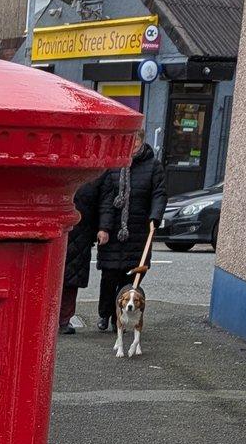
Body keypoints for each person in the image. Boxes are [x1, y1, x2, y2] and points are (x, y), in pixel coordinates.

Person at [96, 139, 167, 331]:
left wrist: (155, 216)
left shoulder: (153, 166)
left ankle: (120, 319)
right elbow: (105, 198)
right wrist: (103, 227)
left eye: (134, 145)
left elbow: (159, 194)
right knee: (109, 277)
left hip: (139, 231)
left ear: (141, 143)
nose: (130, 149)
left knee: (130, 278)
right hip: (113, 231)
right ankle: (105, 314)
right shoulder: (113, 165)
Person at [59, 169, 117, 335]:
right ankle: (53, 317)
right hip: (61, 225)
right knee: (55, 275)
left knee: (72, 277)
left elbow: (106, 202)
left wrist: (104, 228)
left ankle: (64, 319)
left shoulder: (100, 172)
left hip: (82, 229)